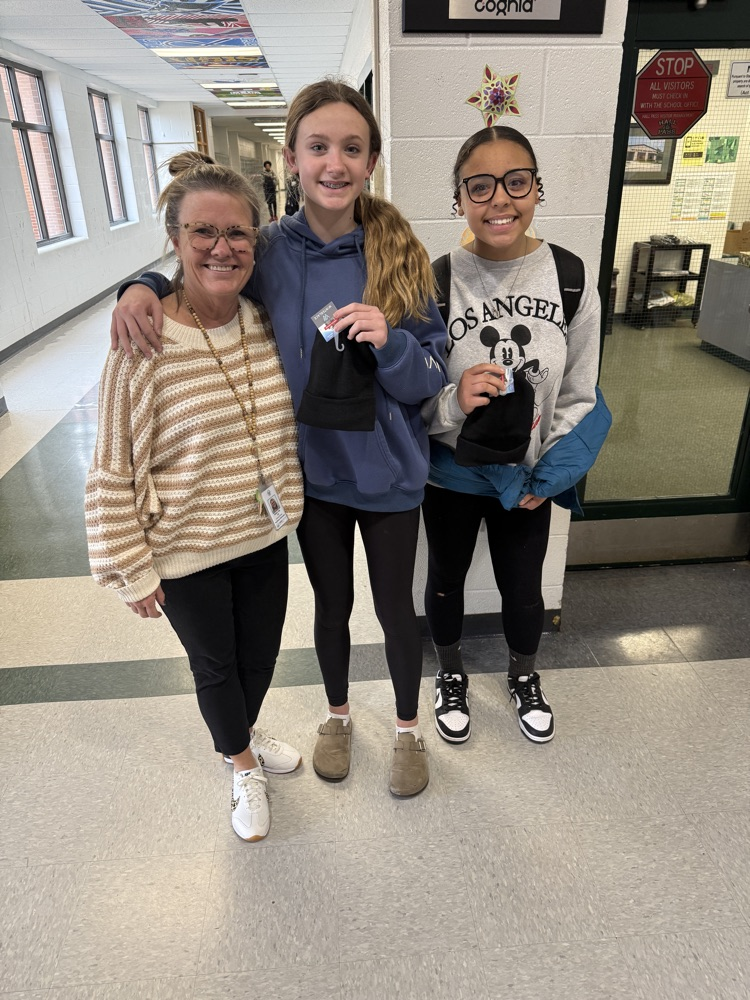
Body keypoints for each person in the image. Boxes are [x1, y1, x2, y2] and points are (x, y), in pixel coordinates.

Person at [110, 81, 448, 798]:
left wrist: (390, 344)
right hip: (313, 481)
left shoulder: (400, 252)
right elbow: (204, 266)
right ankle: (336, 716)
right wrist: (139, 284)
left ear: (372, 160)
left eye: (351, 148)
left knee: (395, 610)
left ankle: (410, 729)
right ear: (291, 158)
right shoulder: (268, 251)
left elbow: (427, 377)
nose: (334, 162)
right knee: (331, 608)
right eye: (318, 147)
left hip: (390, 479)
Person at [87, 152, 305, 843]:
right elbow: (111, 467)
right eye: (202, 233)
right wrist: (132, 567)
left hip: (263, 534)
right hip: (185, 549)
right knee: (215, 663)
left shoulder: (264, 319)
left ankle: (241, 728)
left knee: (260, 655)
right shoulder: (142, 342)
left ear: (256, 241)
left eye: (238, 233)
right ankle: (240, 762)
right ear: (175, 241)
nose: (222, 248)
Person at [421, 125, 610, 747]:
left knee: (523, 587)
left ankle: (524, 675)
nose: (499, 199)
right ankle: (450, 672)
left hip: (529, 477)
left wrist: (547, 476)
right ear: (460, 199)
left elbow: (581, 392)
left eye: (516, 181)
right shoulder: (437, 279)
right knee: (445, 577)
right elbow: (412, 395)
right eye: (480, 186)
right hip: (451, 471)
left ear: (536, 189)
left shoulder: (571, 277)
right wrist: (453, 400)